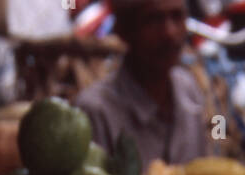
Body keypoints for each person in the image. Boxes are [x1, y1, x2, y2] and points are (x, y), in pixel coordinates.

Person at [73, 0, 211, 166]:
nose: (169, 32)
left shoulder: (188, 89)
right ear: (124, 31)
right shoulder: (96, 112)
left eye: (177, 16)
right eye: (153, 19)